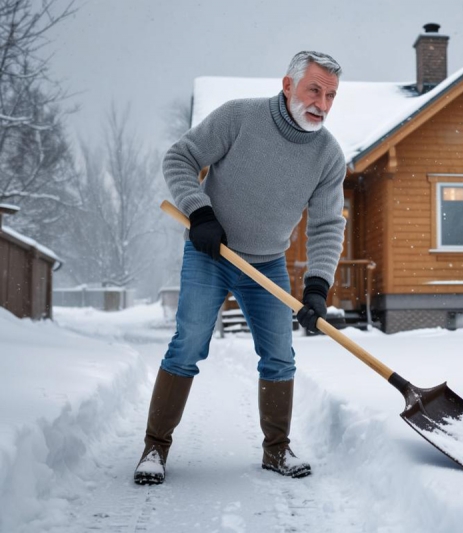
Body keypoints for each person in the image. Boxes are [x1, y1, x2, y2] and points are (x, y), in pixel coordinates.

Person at [133, 51, 345, 485]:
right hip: (211, 253)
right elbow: (180, 157)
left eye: (330, 95)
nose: (321, 104)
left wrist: (318, 287)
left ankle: (276, 451)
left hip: (267, 263)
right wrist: (200, 212)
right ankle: (155, 446)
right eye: (314, 90)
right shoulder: (239, 118)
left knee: (280, 356)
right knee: (188, 343)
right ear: (288, 85)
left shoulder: (328, 154)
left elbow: (326, 225)